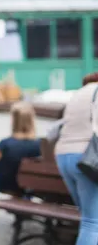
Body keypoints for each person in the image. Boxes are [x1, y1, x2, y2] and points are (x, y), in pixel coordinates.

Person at [54, 73, 98, 245]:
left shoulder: (77, 94)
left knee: (88, 217)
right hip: (88, 158)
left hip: (64, 155)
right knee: (92, 222)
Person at [0, 102, 40, 194]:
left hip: (5, 188)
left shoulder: (5, 144)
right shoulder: (39, 145)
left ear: (14, 121)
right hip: (27, 190)